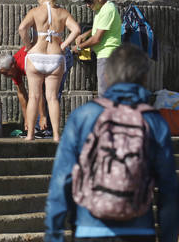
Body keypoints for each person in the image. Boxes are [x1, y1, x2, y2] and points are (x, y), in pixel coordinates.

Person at [44, 44, 178, 242]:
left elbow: (61, 181)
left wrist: (54, 235)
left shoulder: (83, 116)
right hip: (139, 230)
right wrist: (168, 236)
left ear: (107, 77)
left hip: (89, 228)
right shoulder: (154, 122)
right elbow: (168, 190)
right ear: (144, 78)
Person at [15, 0, 81, 141]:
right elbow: (77, 30)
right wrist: (64, 44)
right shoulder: (63, 13)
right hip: (55, 57)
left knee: (34, 97)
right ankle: (57, 135)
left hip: (36, 55)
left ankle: (30, 134)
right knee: (52, 97)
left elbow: (22, 28)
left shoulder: (35, 11)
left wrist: (28, 45)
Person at [0, 47, 73, 137]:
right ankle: (38, 128)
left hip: (61, 55)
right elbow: (22, 94)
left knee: (51, 93)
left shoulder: (26, 63)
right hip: (47, 58)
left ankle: (47, 129)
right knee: (40, 93)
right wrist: (26, 119)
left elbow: (38, 91)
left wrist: (42, 116)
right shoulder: (14, 69)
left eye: (5, 73)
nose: (6, 76)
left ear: (12, 65)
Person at [72, 0, 122, 95]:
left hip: (107, 56)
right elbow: (100, 27)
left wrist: (79, 48)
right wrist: (86, 34)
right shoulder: (101, 9)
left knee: (104, 95)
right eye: (86, 2)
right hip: (105, 55)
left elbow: (96, 39)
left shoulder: (108, 10)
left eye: (89, 1)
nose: (88, 5)